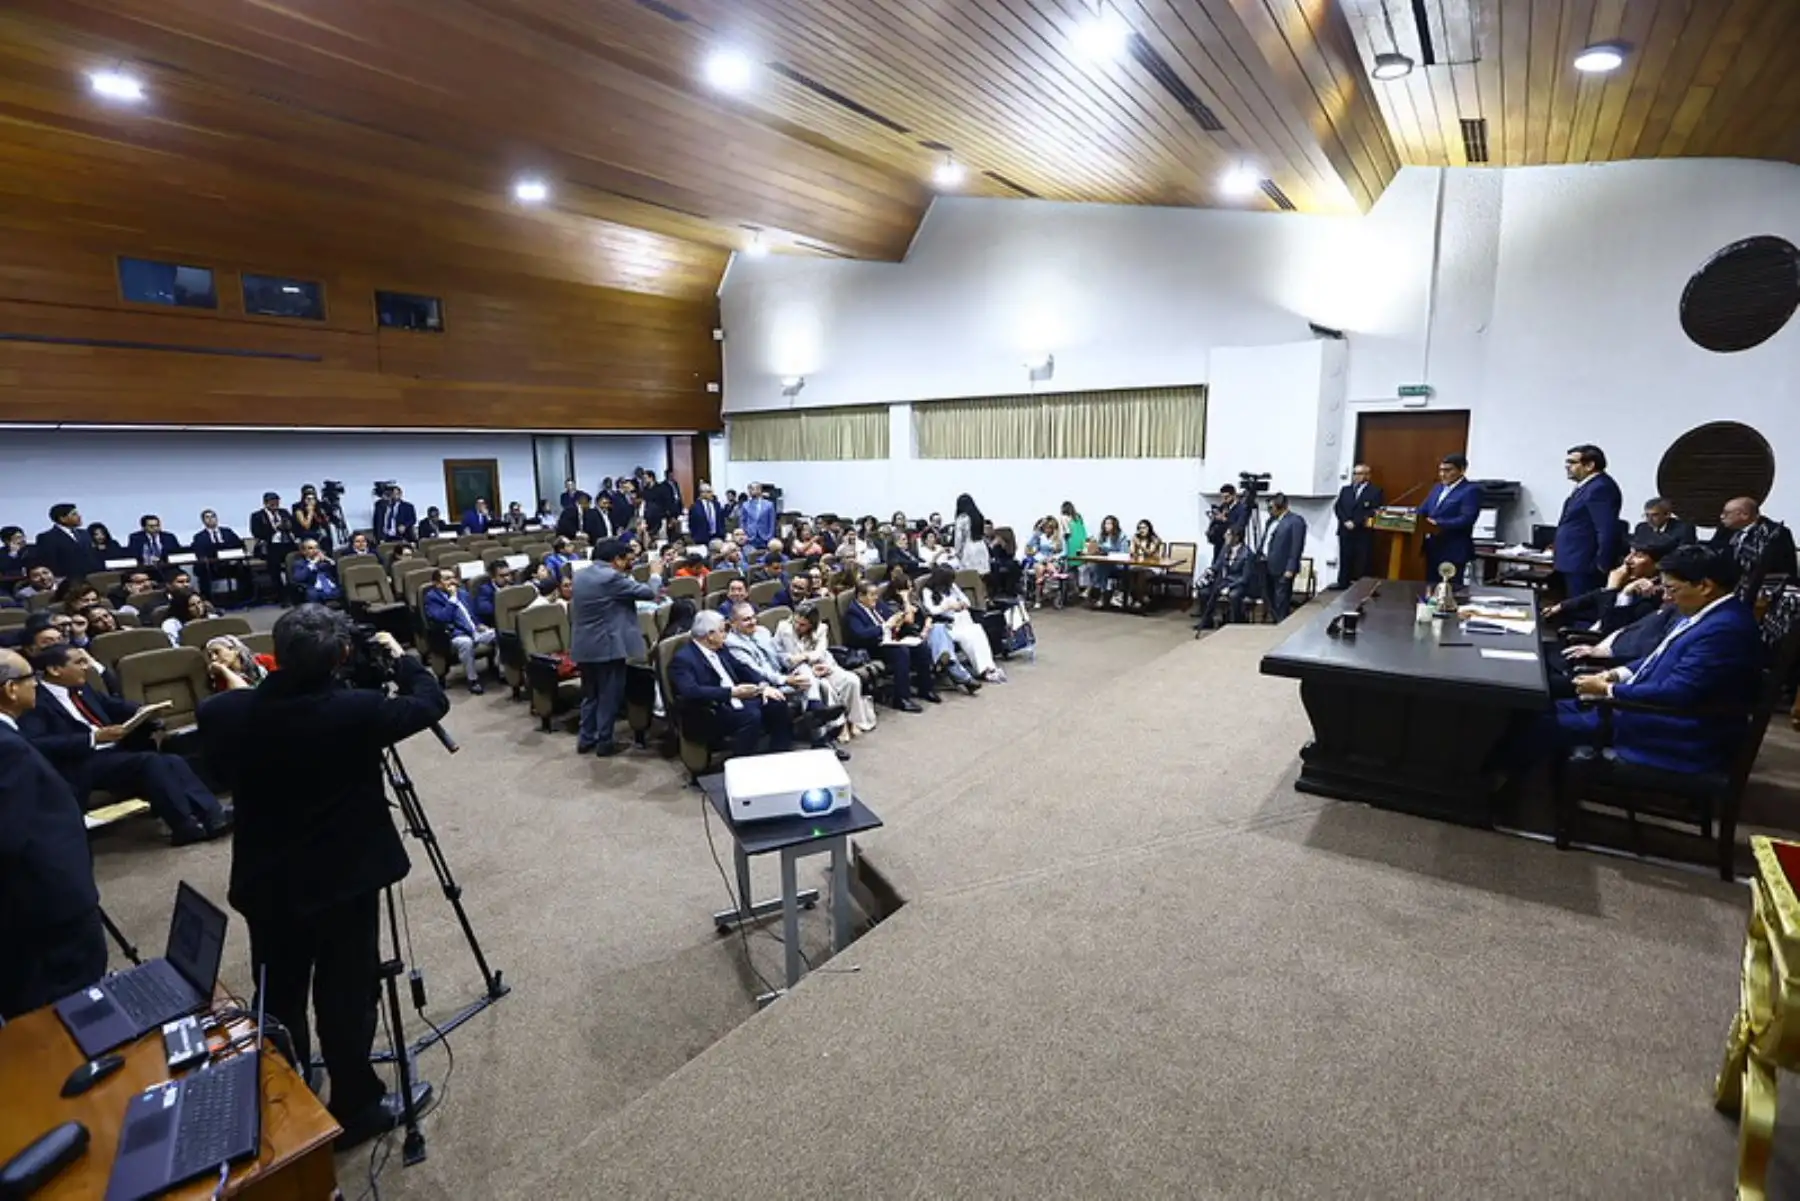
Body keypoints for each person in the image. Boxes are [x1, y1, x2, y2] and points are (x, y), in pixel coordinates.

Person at [198, 607, 446, 1151]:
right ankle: (355, 1106)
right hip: (343, 879)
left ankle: (290, 1094)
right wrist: (404, 660)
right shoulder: (357, 710)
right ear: (341, 657)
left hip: (267, 880)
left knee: (280, 993)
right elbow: (430, 703)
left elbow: (216, 771)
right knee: (344, 992)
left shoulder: (222, 713)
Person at [1556, 546, 1762, 774]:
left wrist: (1609, 690)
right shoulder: (1708, 612)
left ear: (1704, 586)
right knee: (1536, 707)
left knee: (1539, 723)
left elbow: (1678, 692)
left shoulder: (1725, 629)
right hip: (1643, 710)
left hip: (1671, 734)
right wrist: (1614, 674)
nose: (1666, 597)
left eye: (1671, 589)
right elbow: (1660, 655)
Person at [24, 642, 231, 844]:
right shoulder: (35, 701)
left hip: (111, 754)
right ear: (54, 669)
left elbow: (113, 705)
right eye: (78, 663)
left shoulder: (81, 688)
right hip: (80, 763)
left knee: (173, 761)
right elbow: (38, 743)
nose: (86, 667)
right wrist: (93, 738)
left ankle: (213, 816)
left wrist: (144, 711)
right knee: (151, 762)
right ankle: (185, 825)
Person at [0, 648, 107, 1019]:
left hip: (32, 905)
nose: (37, 685)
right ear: (11, 689)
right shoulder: (6, 748)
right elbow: (10, 838)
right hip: (47, 905)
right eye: (32, 679)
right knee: (73, 1005)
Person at [568, 538, 659, 757]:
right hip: (607, 645)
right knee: (609, 695)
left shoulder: (580, 575)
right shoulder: (611, 577)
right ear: (616, 560)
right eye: (625, 560)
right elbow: (648, 593)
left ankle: (586, 738)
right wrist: (655, 574)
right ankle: (604, 742)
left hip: (584, 645)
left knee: (590, 695)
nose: (627, 564)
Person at [669, 610, 795, 756]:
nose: (726, 635)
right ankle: (742, 764)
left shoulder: (721, 649)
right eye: (722, 631)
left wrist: (764, 686)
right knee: (751, 716)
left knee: (776, 702)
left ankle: (780, 754)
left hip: (737, 699)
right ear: (710, 635)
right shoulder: (683, 659)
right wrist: (731, 693)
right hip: (711, 710)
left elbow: (742, 668)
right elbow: (691, 692)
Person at [1542, 532, 1674, 635]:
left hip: (1597, 648)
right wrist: (1560, 606)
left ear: (1659, 563)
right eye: (1630, 553)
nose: (1628, 560)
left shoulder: (1655, 595)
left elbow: (1608, 627)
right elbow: (1596, 595)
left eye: (1638, 556)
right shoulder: (1633, 578)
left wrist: (1614, 589)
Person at [775, 603, 870, 742]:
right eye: (796, 622)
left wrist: (806, 657)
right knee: (826, 687)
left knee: (852, 680)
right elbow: (778, 653)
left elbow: (820, 652)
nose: (798, 627)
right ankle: (840, 726)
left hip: (823, 664)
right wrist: (797, 660)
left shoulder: (821, 629)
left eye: (803, 625)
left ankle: (854, 721)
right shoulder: (783, 627)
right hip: (799, 669)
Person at [845, 580, 936, 712]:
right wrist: (885, 626)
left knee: (920, 646)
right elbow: (861, 635)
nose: (876, 597)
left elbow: (891, 617)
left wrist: (899, 619)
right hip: (873, 646)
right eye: (872, 595)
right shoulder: (853, 613)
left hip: (891, 640)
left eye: (876, 594)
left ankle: (925, 688)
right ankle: (901, 699)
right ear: (860, 596)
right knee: (901, 652)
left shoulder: (878, 604)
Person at [1553, 444, 1624, 598]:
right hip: (1574, 560)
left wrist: (1602, 563)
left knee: (1583, 611)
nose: (1567, 467)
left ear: (1590, 465)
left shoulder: (1600, 487)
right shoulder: (1586, 487)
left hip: (1585, 563)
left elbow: (1606, 529)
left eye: (1572, 462)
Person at [922, 564, 999, 684]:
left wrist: (961, 604)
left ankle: (987, 668)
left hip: (963, 619)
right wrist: (946, 606)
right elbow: (931, 610)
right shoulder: (928, 591)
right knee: (968, 636)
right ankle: (978, 670)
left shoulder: (952, 587)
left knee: (977, 631)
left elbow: (966, 601)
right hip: (948, 623)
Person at [423, 567, 495, 694]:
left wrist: (479, 624)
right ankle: (473, 680)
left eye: (453, 578)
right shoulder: (431, 598)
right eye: (447, 579)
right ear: (437, 584)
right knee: (466, 643)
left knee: (500, 634)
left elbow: (473, 613)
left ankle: (501, 670)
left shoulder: (462, 593)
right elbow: (442, 618)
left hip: (475, 630)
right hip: (453, 635)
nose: (452, 581)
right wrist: (452, 599)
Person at [1710, 496, 1798, 597]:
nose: (1721, 516)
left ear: (1744, 515)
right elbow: (1713, 552)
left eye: (1726, 513)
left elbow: (1780, 569)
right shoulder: (1725, 529)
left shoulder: (1774, 534)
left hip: (1762, 590)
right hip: (1728, 586)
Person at [1418, 453, 1481, 584]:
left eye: (1448, 470)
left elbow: (1467, 519)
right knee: (1432, 588)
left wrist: (1438, 523)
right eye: (1441, 470)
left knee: (1450, 590)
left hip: (1453, 549)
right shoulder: (1438, 488)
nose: (1442, 474)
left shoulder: (1470, 490)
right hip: (1433, 547)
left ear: (1462, 470)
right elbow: (1423, 510)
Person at [1332, 464, 1385, 588]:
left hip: (1362, 531)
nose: (1356, 476)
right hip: (1345, 530)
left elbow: (1373, 510)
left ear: (1367, 475)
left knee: (1363, 560)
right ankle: (1343, 583)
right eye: (1354, 473)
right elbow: (1338, 507)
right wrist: (1345, 521)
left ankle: (1361, 586)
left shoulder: (1375, 491)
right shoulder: (1346, 490)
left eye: (1359, 474)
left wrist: (1356, 522)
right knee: (1345, 558)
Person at [1195, 526, 1253, 630]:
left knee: (1234, 595)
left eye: (1228, 535)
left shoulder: (1247, 554)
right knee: (1204, 592)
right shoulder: (1225, 549)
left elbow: (1245, 577)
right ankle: (1207, 621)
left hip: (1237, 583)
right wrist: (1210, 571)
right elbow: (1218, 564)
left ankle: (1236, 622)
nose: (1224, 537)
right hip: (1223, 582)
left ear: (1236, 537)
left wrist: (1230, 587)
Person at [1260, 493, 1306, 623]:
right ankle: (1274, 621)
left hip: (1283, 567)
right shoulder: (1271, 521)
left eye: (1271, 508)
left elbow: (1296, 547)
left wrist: (1291, 567)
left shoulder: (1296, 521)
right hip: (1267, 564)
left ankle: (1281, 623)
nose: (1269, 511)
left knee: (1281, 599)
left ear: (1281, 507)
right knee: (1269, 597)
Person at [35, 503, 101, 581]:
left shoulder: (85, 533)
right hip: (68, 581)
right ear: (62, 518)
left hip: (92, 578)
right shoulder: (47, 537)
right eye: (74, 514)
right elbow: (51, 563)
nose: (79, 516)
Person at [251, 492, 297, 592]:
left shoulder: (284, 512)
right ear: (265, 503)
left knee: (296, 557)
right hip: (269, 545)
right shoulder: (257, 516)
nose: (275, 504)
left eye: (276, 501)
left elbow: (294, 527)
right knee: (274, 562)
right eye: (271, 502)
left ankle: (295, 588)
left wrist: (288, 527)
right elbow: (257, 533)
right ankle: (280, 592)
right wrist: (275, 528)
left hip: (287, 543)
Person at [1084, 516, 1128, 606]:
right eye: (1105, 524)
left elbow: (1124, 553)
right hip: (1105, 563)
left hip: (1118, 564)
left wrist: (1108, 551)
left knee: (1101, 567)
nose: (1106, 526)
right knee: (1096, 566)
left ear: (1114, 525)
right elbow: (1098, 548)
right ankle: (1101, 594)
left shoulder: (1121, 536)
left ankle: (1095, 591)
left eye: (1109, 524)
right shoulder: (1102, 535)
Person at [205, 635, 272, 693]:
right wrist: (223, 669)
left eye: (217, 652)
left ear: (235, 650)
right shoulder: (222, 678)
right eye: (210, 656)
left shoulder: (265, 660)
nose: (213, 658)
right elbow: (242, 696)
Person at [291, 540, 343, 606]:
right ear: (304, 551)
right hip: (315, 590)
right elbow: (298, 578)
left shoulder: (324, 561)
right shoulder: (299, 563)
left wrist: (329, 560)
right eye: (310, 548)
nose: (315, 550)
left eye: (316, 547)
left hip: (332, 588)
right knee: (312, 595)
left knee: (346, 590)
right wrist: (313, 563)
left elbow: (337, 573)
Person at [952, 494, 989, 580]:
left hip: (969, 548)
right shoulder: (979, 516)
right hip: (981, 546)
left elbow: (958, 539)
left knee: (970, 577)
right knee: (983, 575)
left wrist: (957, 553)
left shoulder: (962, 519)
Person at [473, 560, 515, 624]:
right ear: (493, 577)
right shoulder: (485, 590)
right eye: (502, 576)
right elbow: (485, 609)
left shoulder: (514, 586)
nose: (507, 578)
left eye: (508, 574)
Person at [738, 483, 776, 549]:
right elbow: (742, 522)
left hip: (765, 537)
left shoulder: (769, 505)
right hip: (750, 537)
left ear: (759, 490)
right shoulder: (745, 505)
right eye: (749, 489)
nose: (750, 491)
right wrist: (744, 535)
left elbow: (772, 522)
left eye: (752, 489)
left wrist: (770, 536)